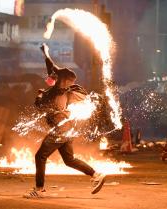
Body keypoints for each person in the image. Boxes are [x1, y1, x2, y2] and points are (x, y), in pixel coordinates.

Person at [23, 44, 106, 198]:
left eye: (56, 76)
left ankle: (39, 189)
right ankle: (96, 174)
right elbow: (52, 68)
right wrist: (45, 53)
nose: (51, 76)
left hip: (60, 130)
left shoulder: (60, 92)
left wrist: (40, 96)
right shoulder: (57, 88)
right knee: (69, 160)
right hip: (66, 130)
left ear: (64, 81)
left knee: (40, 156)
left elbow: (40, 106)